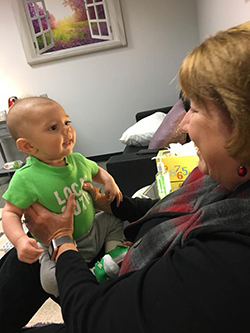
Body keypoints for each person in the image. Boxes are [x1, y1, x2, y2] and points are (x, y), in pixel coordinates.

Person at [1, 21, 250, 332]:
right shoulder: (218, 176)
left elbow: (98, 320)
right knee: (21, 261)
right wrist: (115, 205)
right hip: (93, 242)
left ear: (240, 125)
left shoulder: (230, 255)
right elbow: (167, 210)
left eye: (196, 109)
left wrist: (62, 241)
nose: (184, 125)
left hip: (101, 305)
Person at [1, 96, 124, 297]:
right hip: (57, 245)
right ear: (28, 146)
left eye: (67, 122)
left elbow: (98, 172)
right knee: (49, 281)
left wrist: (110, 182)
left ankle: (111, 257)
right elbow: (10, 213)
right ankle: (93, 276)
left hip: (92, 228)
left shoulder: (77, 160)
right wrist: (20, 240)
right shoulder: (26, 178)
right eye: (53, 128)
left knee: (115, 216)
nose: (67, 130)